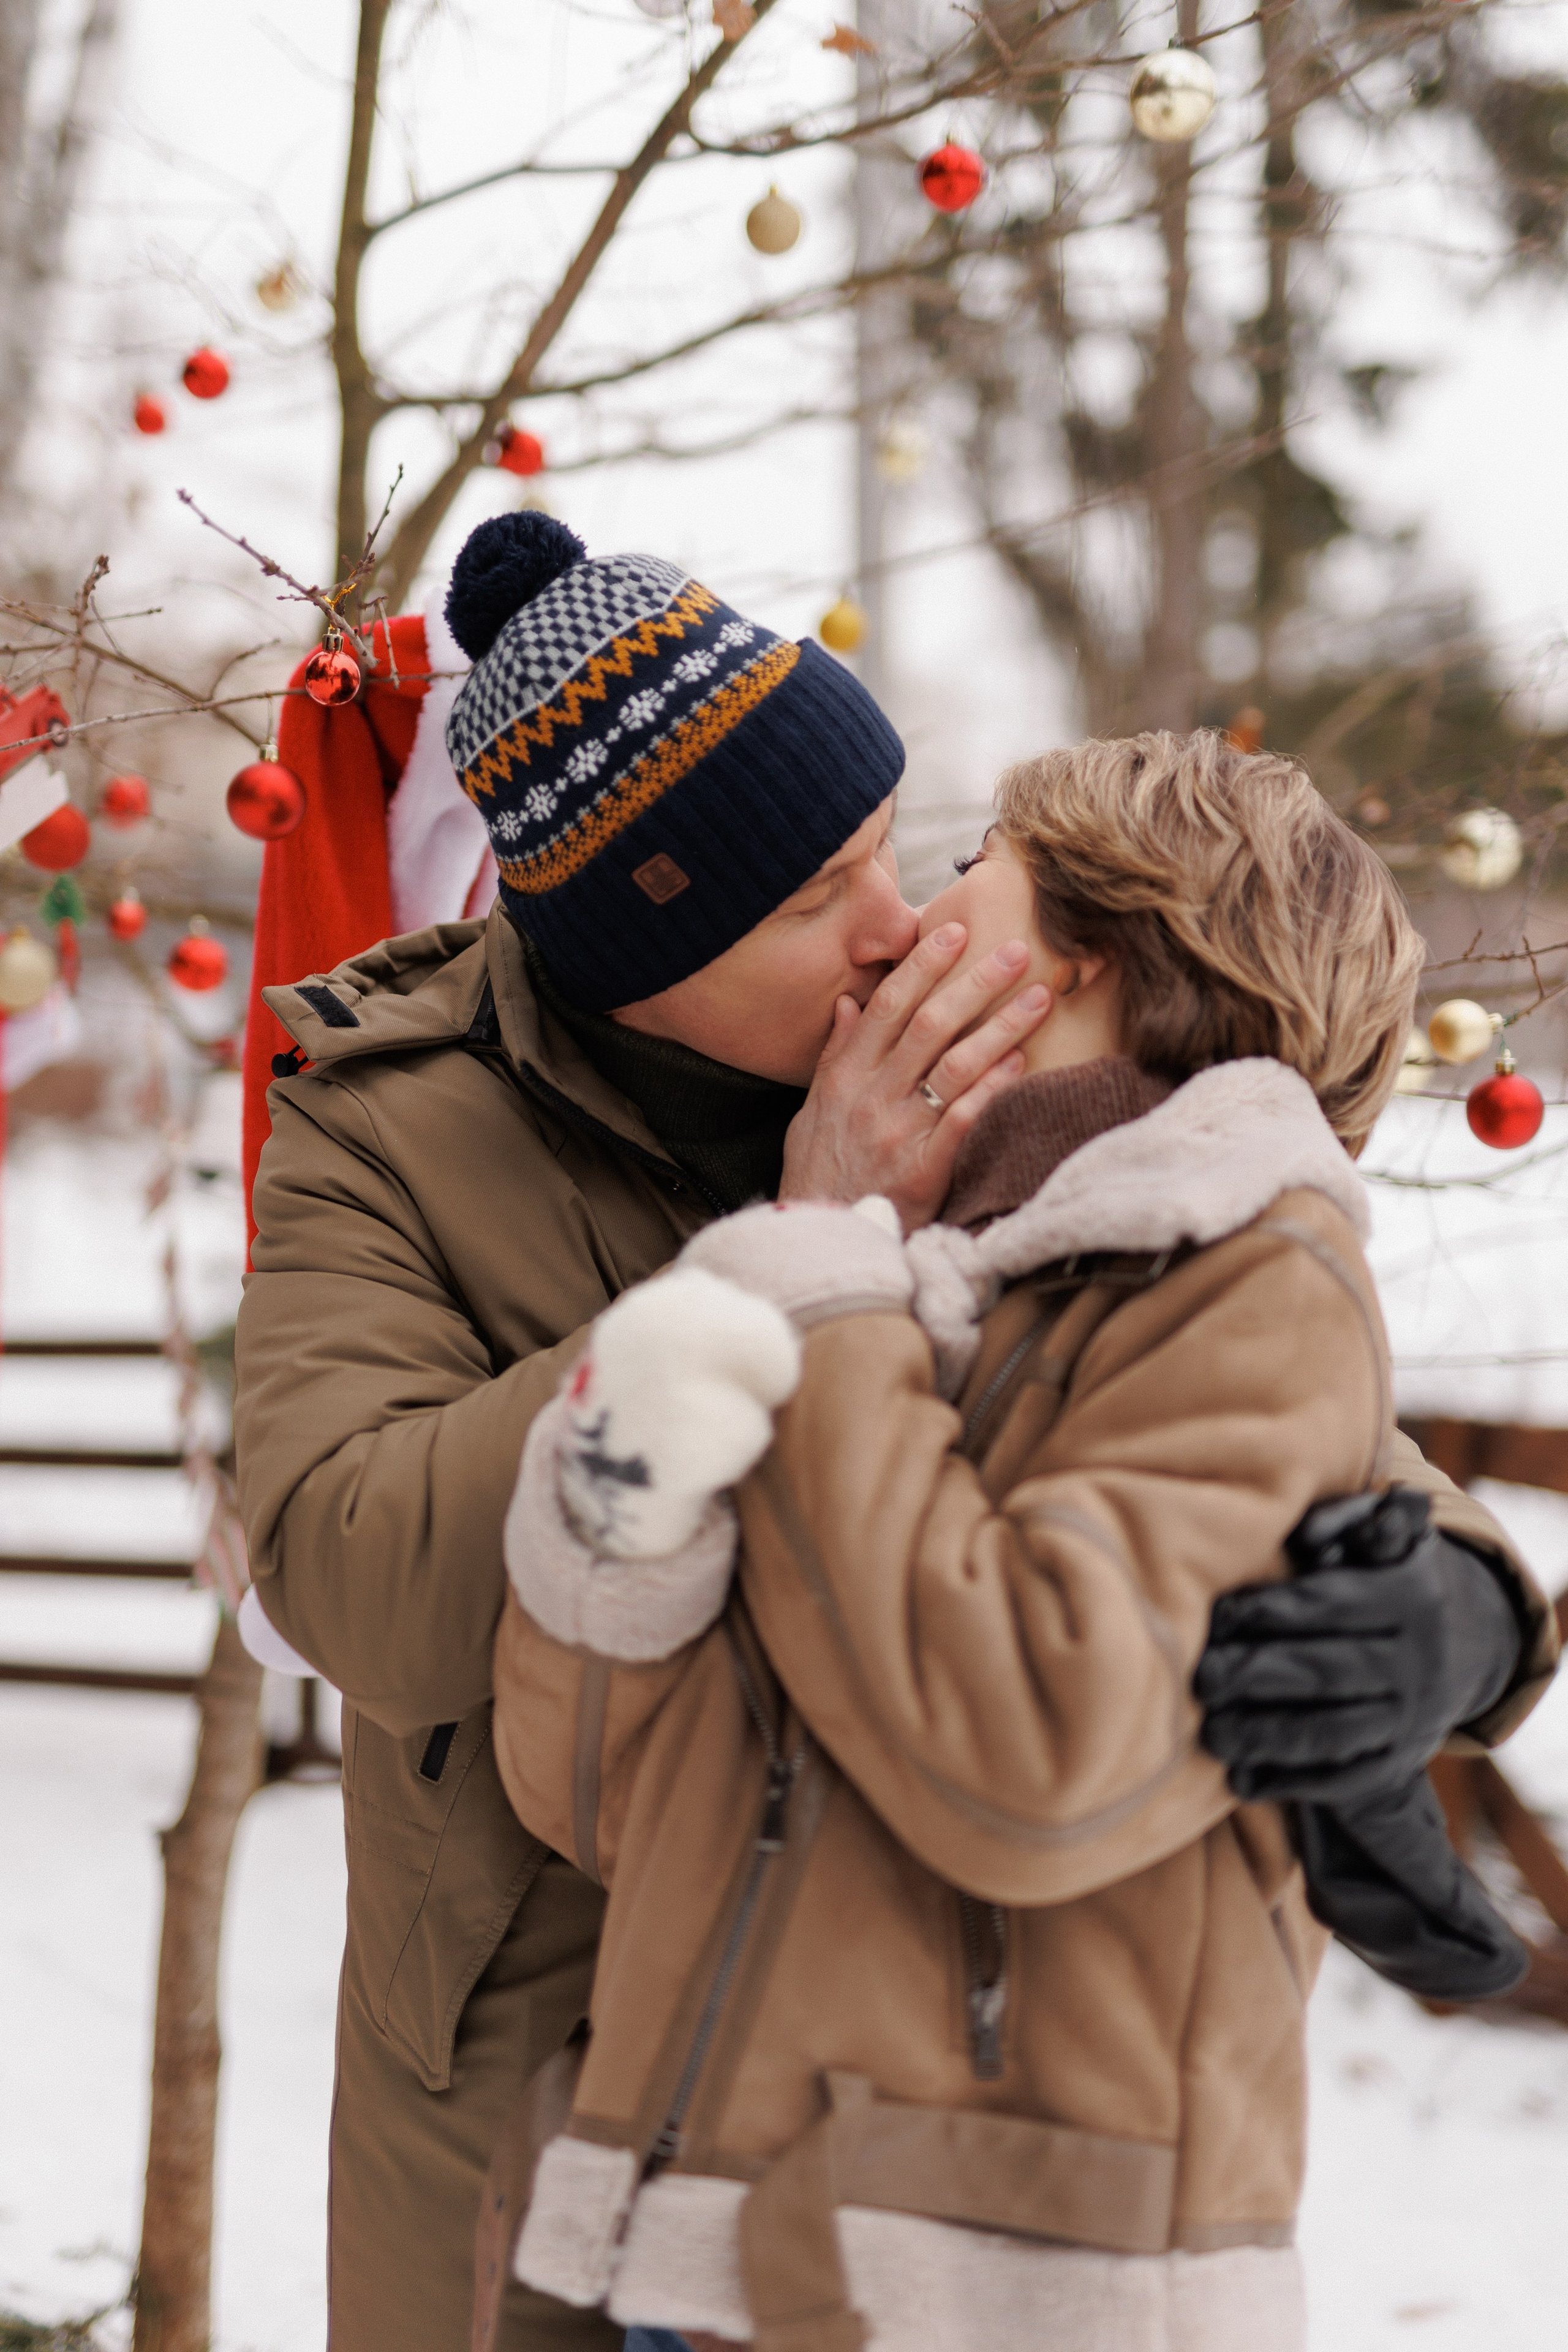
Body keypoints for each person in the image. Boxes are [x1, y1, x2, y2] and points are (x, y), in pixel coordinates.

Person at [233, 519, 1553, 2352]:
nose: (896, 928)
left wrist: (1459, 1599)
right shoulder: (385, 1124)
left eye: (893, 850)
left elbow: (1199, 1351)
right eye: (808, 899)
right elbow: (349, 1568)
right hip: (535, 2108)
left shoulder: (1002, 1098)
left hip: (916, 2145)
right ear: (644, 948)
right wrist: (801, 1238)